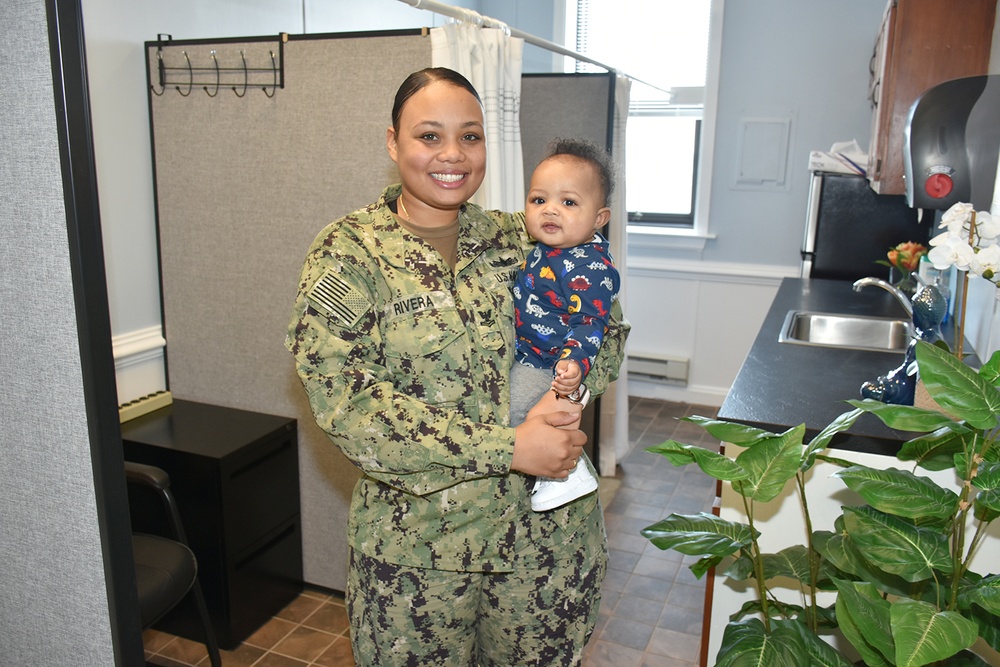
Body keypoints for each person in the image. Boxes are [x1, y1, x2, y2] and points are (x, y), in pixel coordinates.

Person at [285, 67, 629, 666]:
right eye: (429, 136)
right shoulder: (350, 254)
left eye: (470, 137)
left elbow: (608, 324)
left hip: (543, 552)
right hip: (417, 562)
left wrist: (568, 392)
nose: (453, 155)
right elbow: (349, 407)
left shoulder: (520, 236)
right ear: (393, 142)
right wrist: (507, 447)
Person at [511, 138, 621, 512]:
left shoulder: (589, 267)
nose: (550, 211)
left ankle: (567, 474)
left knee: (514, 415)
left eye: (568, 202)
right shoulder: (545, 247)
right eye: (539, 200)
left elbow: (591, 322)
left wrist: (573, 366)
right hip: (527, 351)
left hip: (547, 364)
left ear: (599, 219)